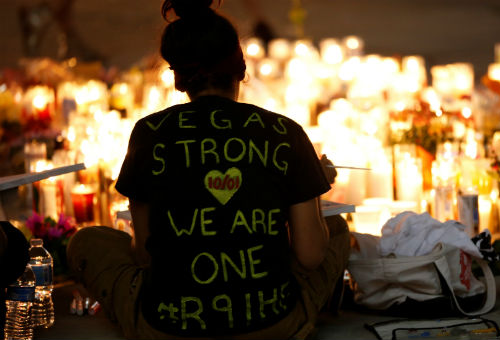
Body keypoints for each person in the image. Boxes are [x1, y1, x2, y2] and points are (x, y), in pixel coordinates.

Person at [66, 0, 350, 339]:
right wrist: (311, 187)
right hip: (273, 324)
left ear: (178, 79)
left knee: (87, 241)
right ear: (241, 67)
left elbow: (142, 256)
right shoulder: (283, 132)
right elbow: (310, 255)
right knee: (336, 228)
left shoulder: (149, 134)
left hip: (169, 326)